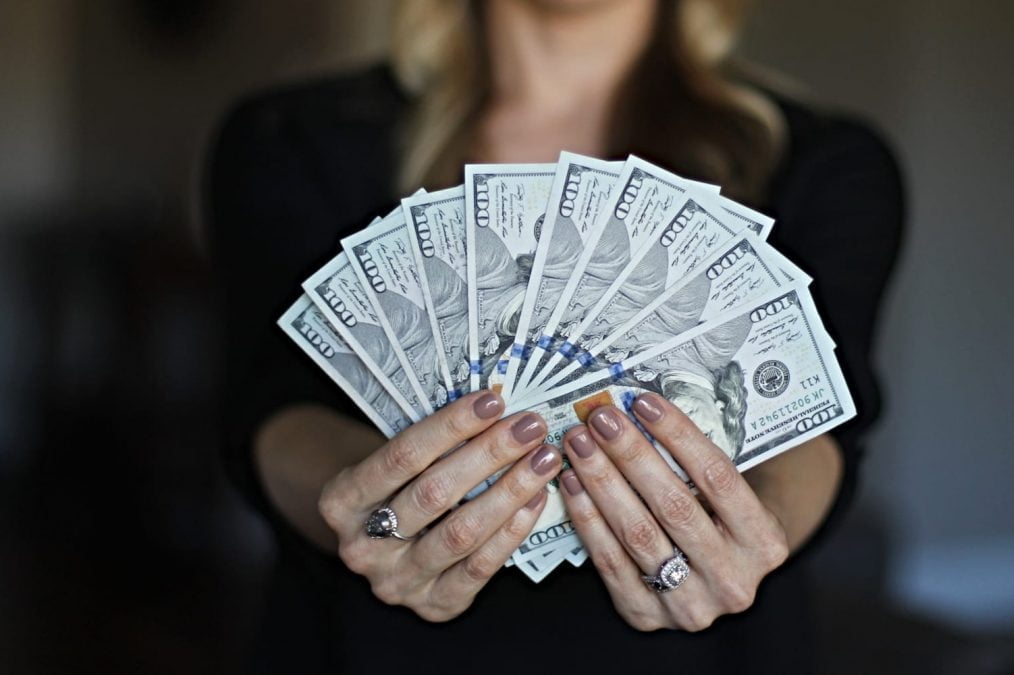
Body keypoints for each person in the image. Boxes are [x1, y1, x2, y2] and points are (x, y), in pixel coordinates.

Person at [208, 0, 903, 672]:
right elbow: (270, 405)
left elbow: (828, 423)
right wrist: (380, 502)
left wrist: (756, 523)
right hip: (364, 646)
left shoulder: (824, 162)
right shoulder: (287, 138)